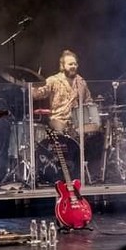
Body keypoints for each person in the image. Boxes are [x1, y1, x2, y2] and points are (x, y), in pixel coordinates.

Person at [31, 49, 94, 181]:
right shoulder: (53, 80)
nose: (73, 67)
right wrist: (30, 86)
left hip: (75, 123)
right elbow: (39, 93)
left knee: (93, 133)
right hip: (57, 121)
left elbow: (88, 101)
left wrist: (92, 113)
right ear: (63, 66)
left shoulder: (81, 82)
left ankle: (79, 174)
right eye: (70, 64)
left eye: (75, 64)